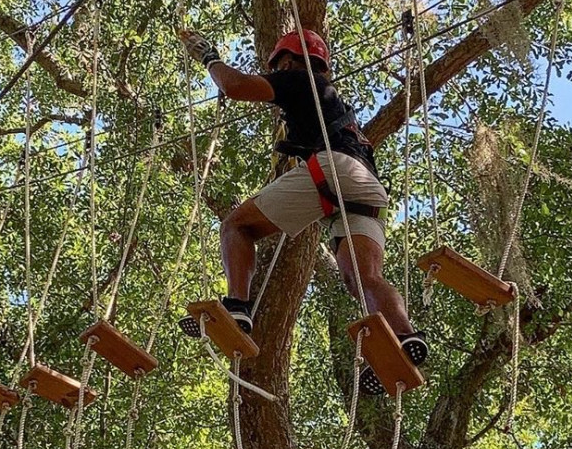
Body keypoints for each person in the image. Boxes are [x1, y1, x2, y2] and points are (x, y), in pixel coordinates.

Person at [178, 26, 427, 392]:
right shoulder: (334, 104)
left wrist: (208, 57)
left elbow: (235, 87)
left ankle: (236, 307)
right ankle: (404, 337)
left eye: (279, 64)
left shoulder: (300, 79)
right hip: (368, 189)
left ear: (290, 59)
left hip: (334, 170)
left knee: (237, 227)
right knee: (363, 278)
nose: (278, 70)